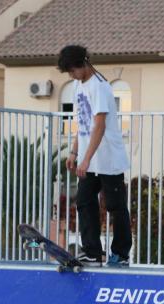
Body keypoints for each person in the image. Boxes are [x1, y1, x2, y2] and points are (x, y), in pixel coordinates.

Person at [58, 44, 132, 266]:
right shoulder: (78, 86)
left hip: (108, 159)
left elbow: (99, 126)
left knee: (115, 207)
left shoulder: (100, 87)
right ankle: (92, 251)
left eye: (72, 70)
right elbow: (83, 123)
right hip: (89, 160)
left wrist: (86, 157)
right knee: (83, 201)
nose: (71, 75)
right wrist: (74, 151)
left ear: (82, 64)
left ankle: (121, 253)